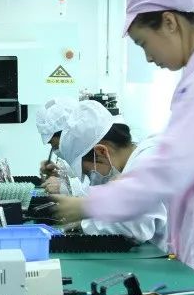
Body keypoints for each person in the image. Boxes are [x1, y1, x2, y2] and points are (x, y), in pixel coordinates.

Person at [52, 0, 194, 293]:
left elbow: (170, 170)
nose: (149, 57)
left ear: (169, 22)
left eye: (143, 44)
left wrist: (88, 205)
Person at [47, 99, 167, 249]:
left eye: (89, 172)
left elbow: (134, 226)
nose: (93, 177)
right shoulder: (134, 165)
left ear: (101, 151)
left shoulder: (147, 160)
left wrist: (84, 221)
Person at [36, 97, 80, 188]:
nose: (53, 147)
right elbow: (79, 169)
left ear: (67, 134)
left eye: (52, 143)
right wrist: (60, 172)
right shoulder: (81, 152)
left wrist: (66, 187)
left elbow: (100, 185)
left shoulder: (97, 149)